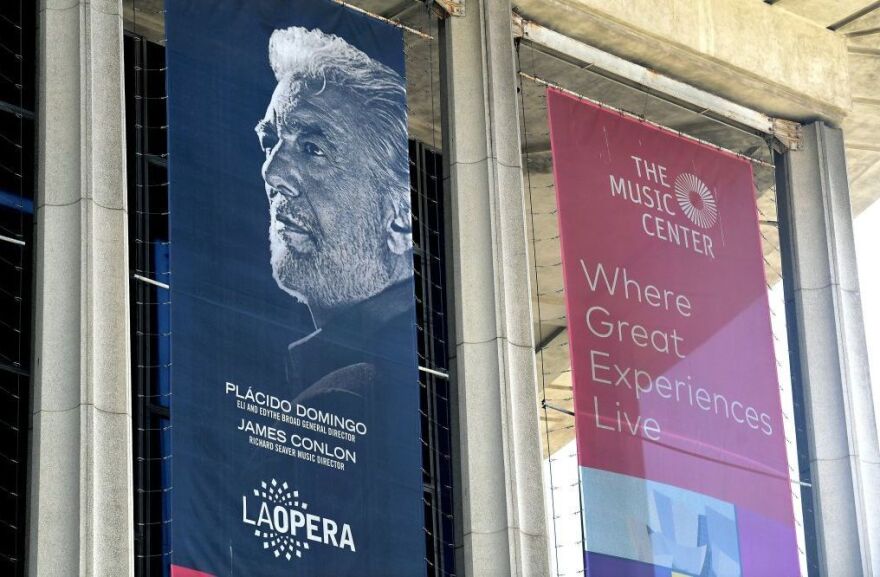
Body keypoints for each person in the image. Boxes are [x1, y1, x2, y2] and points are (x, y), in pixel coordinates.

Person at [252, 27, 423, 575]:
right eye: (270, 140)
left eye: (313, 148)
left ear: (400, 214)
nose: (273, 173)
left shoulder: (354, 399)